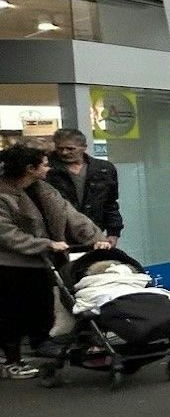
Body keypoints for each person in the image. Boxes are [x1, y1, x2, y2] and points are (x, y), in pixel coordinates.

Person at [0, 143, 111, 378]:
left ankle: (41, 343)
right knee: (12, 314)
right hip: (11, 264)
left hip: (41, 261)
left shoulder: (43, 189)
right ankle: (11, 362)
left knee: (41, 308)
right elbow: (6, 234)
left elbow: (71, 215)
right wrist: (46, 244)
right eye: (45, 164)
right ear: (30, 168)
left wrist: (96, 239)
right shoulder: (4, 195)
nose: (49, 168)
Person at [45, 128, 122, 244]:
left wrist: (113, 233)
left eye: (70, 149)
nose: (64, 153)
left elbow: (110, 203)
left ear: (84, 147)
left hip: (94, 231)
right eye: (60, 149)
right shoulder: (47, 169)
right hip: (59, 234)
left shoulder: (103, 169)